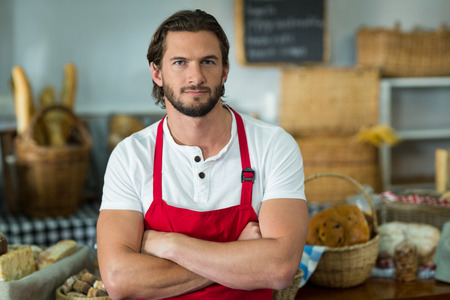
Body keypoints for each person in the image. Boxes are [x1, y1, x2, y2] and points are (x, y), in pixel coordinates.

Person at [97, 9, 308, 300]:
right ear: (157, 72)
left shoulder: (274, 146)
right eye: (180, 62)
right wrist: (238, 250)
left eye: (207, 62)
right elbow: (120, 280)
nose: (195, 77)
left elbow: (279, 269)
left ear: (224, 70)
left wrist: (171, 246)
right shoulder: (131, 156)